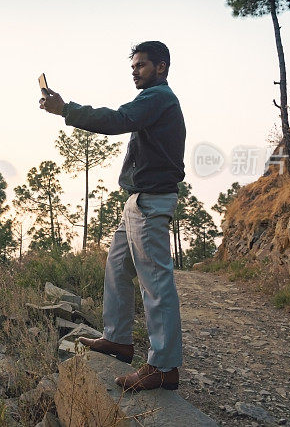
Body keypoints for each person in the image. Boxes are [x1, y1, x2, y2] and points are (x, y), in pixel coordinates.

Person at [39, 40, 186, 391]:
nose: (134, 71)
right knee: (117, 267)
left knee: (155, 283)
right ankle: (118, 340)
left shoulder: (159, 97)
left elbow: (118, 120)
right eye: (133, 66)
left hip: (151, 201)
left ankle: (164, 367)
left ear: (161, 67)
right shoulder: (153, 100)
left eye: (141, 65)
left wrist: (66, 109)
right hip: (136, 200)